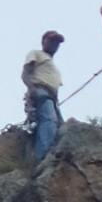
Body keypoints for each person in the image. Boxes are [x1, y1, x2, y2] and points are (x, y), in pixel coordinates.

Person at [22, 30, 64, 162]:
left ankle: (50, 154)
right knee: (49, 121)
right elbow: (25, 73)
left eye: (57, 43)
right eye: (51, 41)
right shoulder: (36, 54)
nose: (54, 44)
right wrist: (32, 89)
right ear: (43, 41)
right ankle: (44, 157)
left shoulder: (51, 63)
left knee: (58, 126)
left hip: (50, 96)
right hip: (41, 91)